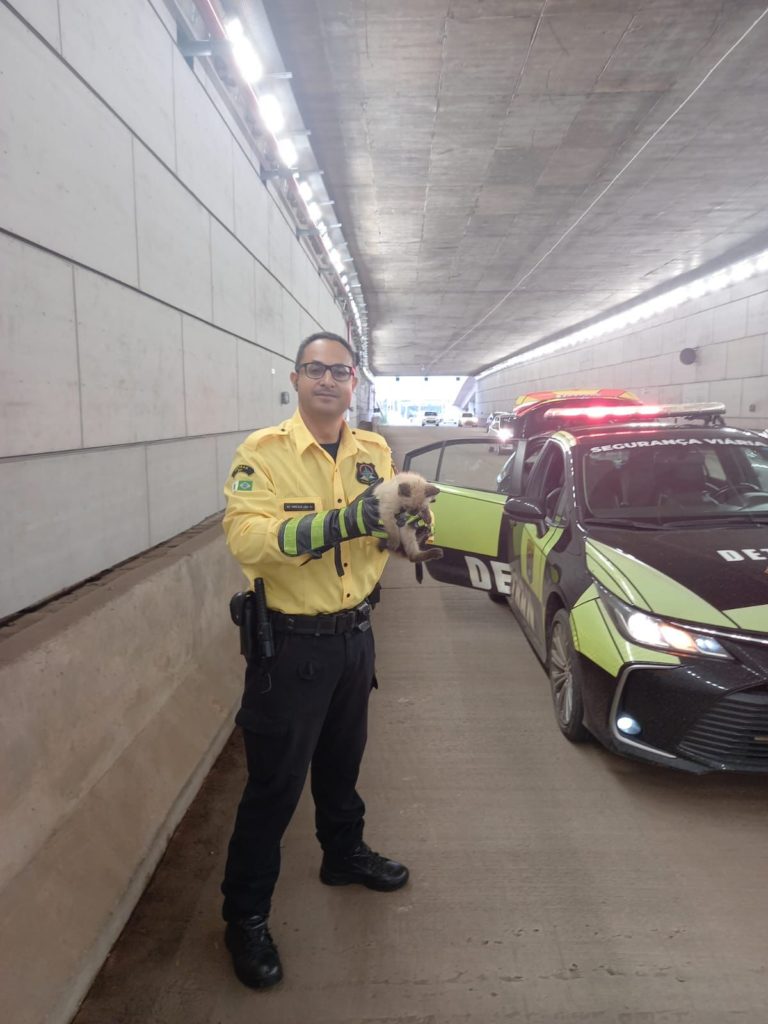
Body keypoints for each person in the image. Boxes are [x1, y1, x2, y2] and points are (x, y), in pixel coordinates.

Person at [220, 331, 410, 990]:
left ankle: (343, 853)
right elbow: (250, 542)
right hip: (291, 649)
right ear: (295, 379)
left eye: (339, 371)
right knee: (272, 789)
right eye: (314, 370)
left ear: (353, 382)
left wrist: (408, 535)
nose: (327, 380)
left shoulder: (373, 452)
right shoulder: (263, 454)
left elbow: (383, 525)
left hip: (354, 638)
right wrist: (342, 523)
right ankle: (244, 916)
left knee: (342, 764)